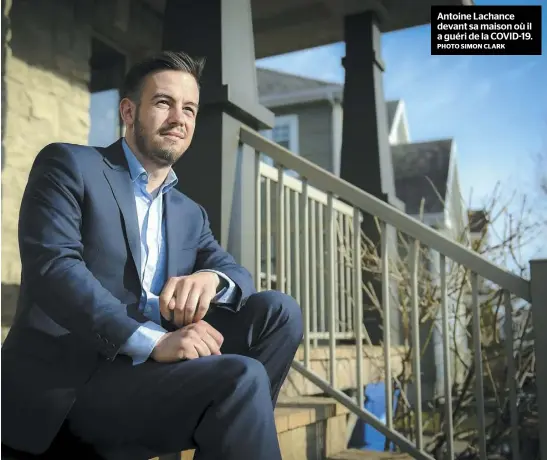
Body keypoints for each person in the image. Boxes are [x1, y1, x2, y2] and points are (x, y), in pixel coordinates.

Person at [1, 50, 303, 460]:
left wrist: (210, 279)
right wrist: (155, 339)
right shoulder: (70, 165)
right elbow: (54, 269)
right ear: (128, 111)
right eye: (164, 103)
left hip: (146, 380)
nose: (179, 118)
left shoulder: (188, 213)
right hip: (72, 384)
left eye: (190, 109)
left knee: (279, 312)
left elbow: (236, 272)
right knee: (241, 375)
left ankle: (233, 437)